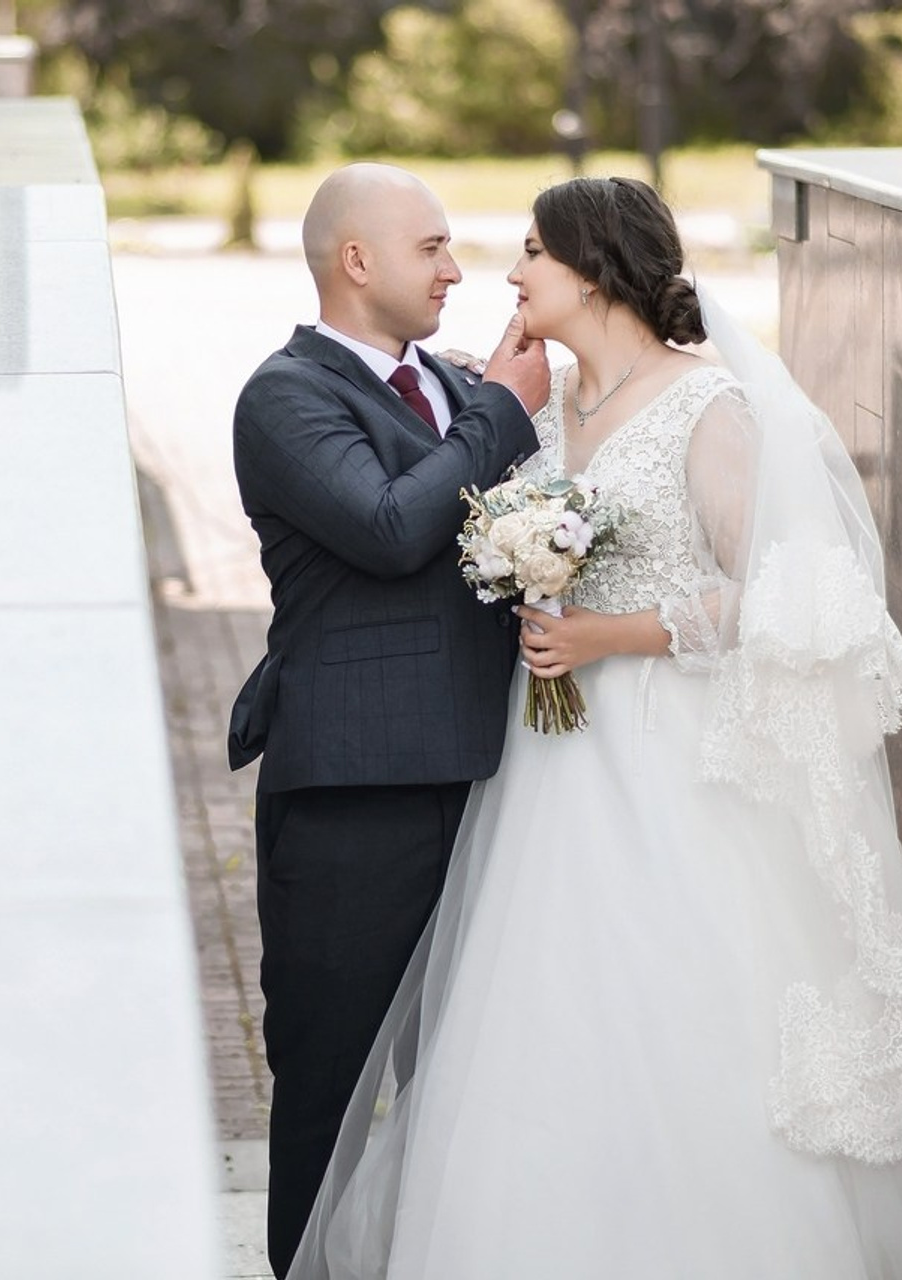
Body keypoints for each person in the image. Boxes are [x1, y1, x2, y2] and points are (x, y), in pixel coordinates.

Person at [288, 176, 902, 1278]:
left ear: (595, 267)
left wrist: (605, 635)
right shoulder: (536, 408)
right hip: (543, 764)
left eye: (532, 251)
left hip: (669, 762)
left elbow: (777, 594)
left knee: (672, 1006)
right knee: (537, 1016)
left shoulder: (704, 407)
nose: (509, 272)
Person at [228, 162, 551, 1277]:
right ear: (356, 260)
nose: (456, 270)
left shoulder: (455, 385)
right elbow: (386, 525)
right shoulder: (285, 396)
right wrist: (503, 410)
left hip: (487, 776)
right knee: (328, 1079)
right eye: (432, 247)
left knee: (459, 1086)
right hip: (354, 794)